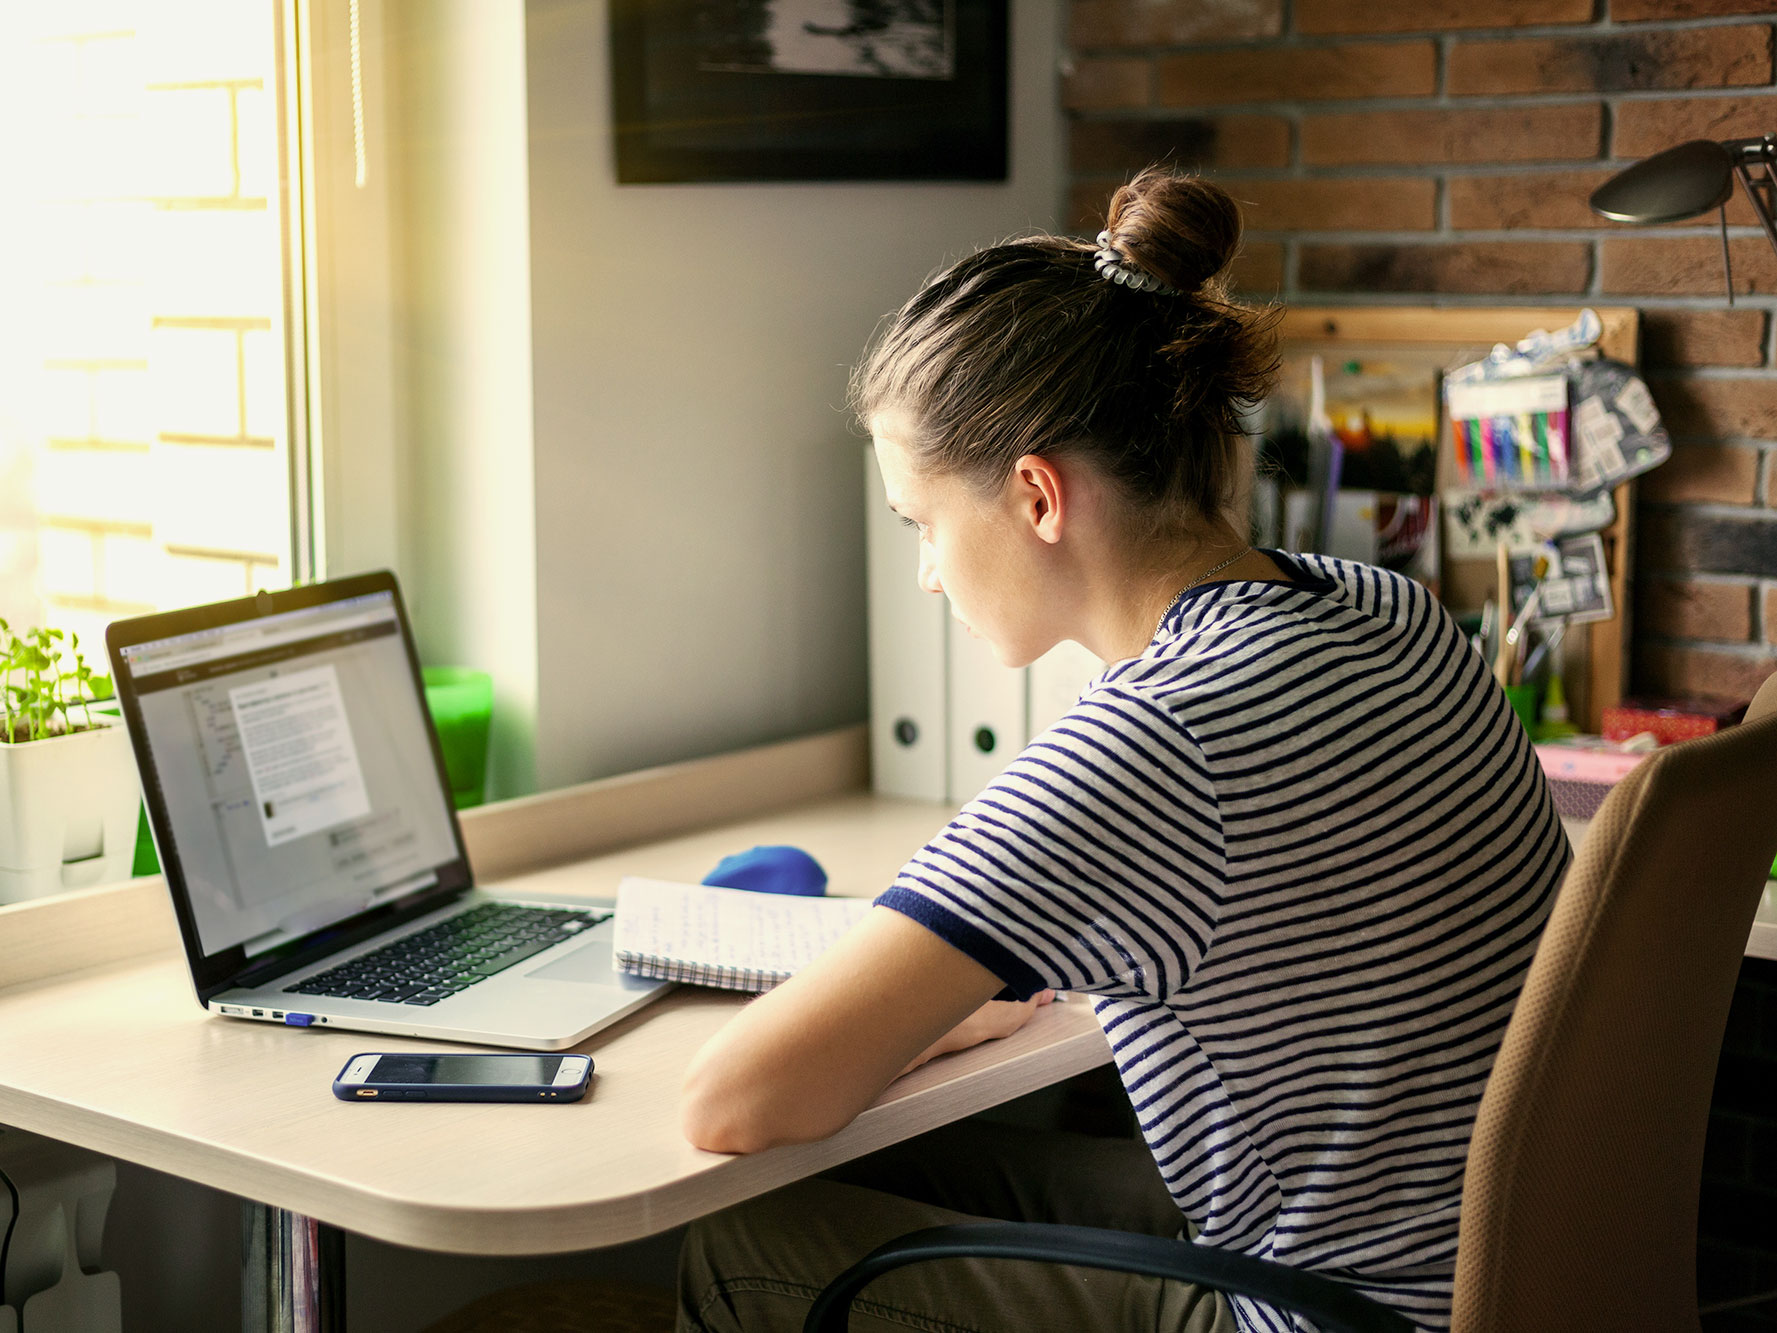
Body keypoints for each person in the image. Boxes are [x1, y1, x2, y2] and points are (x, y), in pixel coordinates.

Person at [675, 167, 1568, 1333]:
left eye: (923, 523)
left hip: (1326, 1316)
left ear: (1037, 496)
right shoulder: (1386, 610)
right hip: (1484, 1266)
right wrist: (955, 994)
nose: (927, 571)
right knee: (871, 1178)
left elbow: (734, 1100)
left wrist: (913, 1006)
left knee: (742, 1238)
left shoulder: (1153, 739)